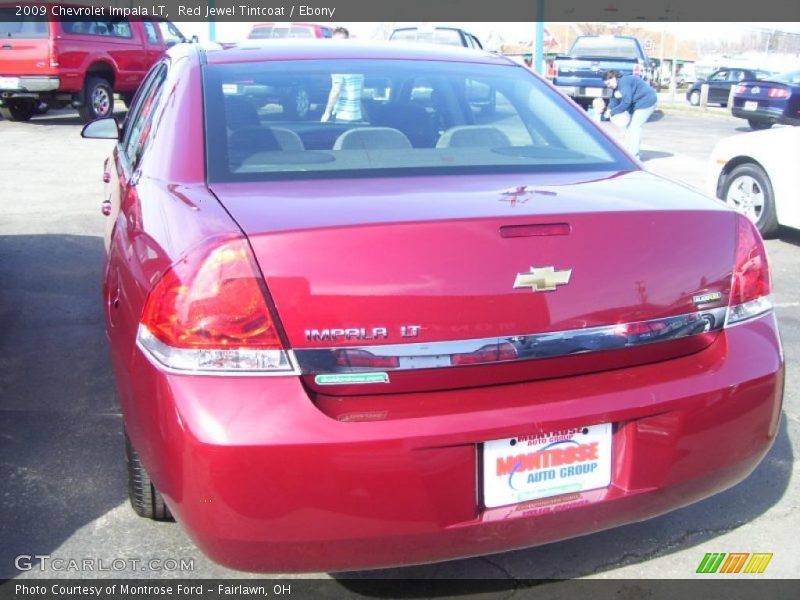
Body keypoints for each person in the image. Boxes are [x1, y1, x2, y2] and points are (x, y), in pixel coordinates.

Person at [602, 69, 657, 159]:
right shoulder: (616, 86)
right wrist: (609, 109)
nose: (608, 86)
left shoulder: (624, 82)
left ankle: (634, 156)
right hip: (637, 104)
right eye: (606, 85)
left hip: (647, 101)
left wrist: (612, 112)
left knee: (635, 128)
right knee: (628, 128)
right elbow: (614, 99)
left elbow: (627, 102)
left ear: (614, 78)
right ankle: (628, 153)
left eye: (608, 83)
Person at [321, 27, 365, 123]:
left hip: (342, 116)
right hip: (357, 116)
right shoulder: (358, 64)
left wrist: (327, 113)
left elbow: (336, 91)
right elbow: (361, 90)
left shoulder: (338, 64)